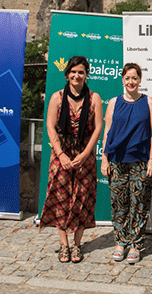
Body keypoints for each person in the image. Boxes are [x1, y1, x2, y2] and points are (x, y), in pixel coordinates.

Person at [41, 56, 104, 264]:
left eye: (81, 72)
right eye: (73, 72)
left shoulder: (94, 98)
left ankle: (77, 244)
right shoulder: (57, 97)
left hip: (84, 155)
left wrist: (86, 154)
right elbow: (50, 126)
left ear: (87, 75)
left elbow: (97, 128)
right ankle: (64, 245)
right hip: (62, 155)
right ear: (67, 74)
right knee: (61, 199)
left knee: (82, 200)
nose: (76, 76)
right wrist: (61, 154)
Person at [100, 63, 152, 264]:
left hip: (141, 161)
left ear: (140, 79)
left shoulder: (149, 102)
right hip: (117, 161)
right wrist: (104, 158)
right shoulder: (114, 102)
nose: (131, 82)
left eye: (135, 78)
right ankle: (120, 242)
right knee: (119, 204)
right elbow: (107, 131)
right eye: (127, 78)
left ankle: (136, 243)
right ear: (122, 80)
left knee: (140, 204)